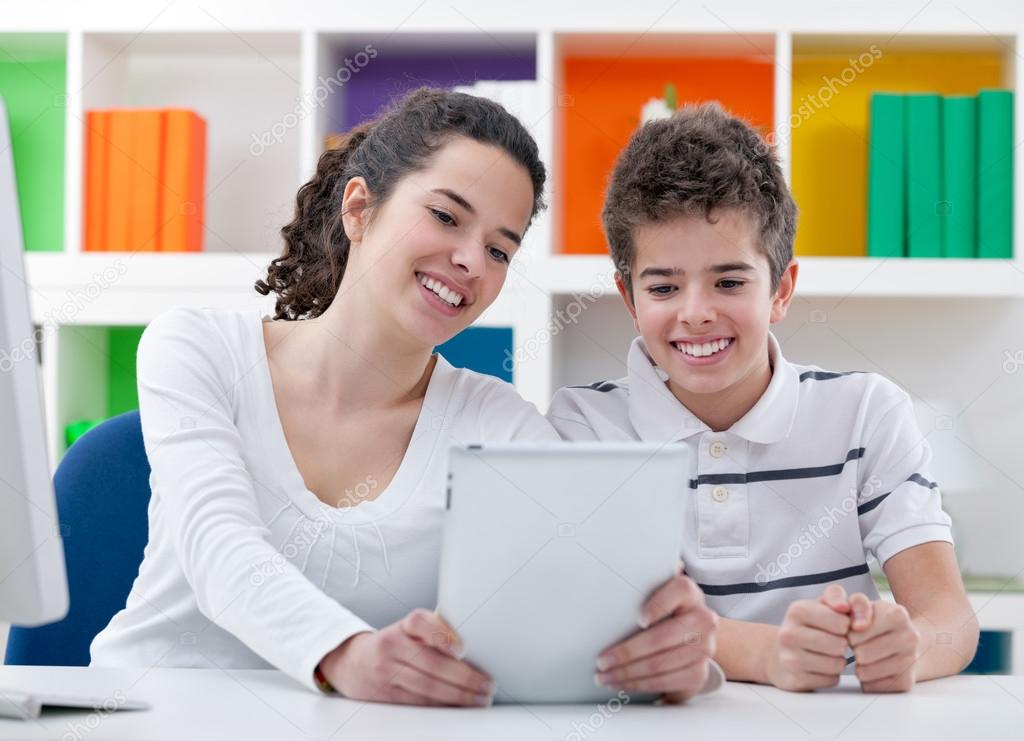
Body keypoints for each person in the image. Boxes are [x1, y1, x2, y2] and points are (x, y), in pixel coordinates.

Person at [89, 87, 717, 707]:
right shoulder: (198, 347)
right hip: (148, 711)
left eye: (500, 249)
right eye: (446, 216)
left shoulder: (495, 423)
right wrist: (346, 656)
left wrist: (673, 654)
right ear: (358, 209)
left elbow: (585, 596)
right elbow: (219, 552)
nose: (472, 260)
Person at [547, 102, 978, 693]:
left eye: (729, 281)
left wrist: (911, 649)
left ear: (781, 289)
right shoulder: (584, 426)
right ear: (629, 297)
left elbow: (950, 619)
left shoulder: (866, 414)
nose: (696, 313)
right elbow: (615, 618)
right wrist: (771, 654)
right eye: (664, 286)